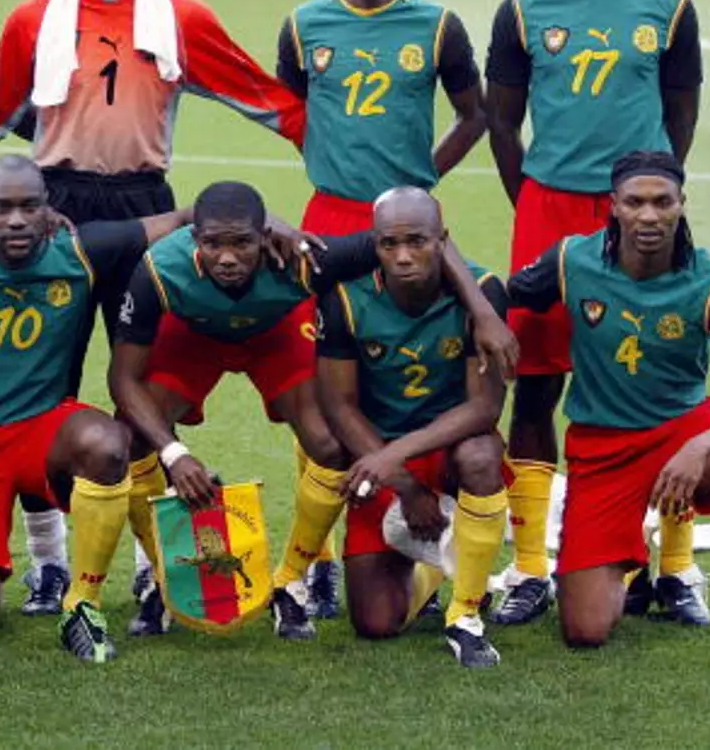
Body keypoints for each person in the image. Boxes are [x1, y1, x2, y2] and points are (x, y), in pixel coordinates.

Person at [0, 0, 308, 615]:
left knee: (144, 376)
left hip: (146, 208)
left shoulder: (181, 17)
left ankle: (154, 560)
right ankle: (48, 558)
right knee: (38, 383)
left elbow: (265, 98)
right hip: (54, 211)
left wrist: (336, 159)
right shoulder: (32, 20)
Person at [0, 155, 234, 662]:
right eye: (1, 208)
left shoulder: (81, 251)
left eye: (29, 206)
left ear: (49, 209)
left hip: (45, 430)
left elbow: (182, 217)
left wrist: (269, 225)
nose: (16, 220)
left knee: (107, 443)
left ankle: (82, 604)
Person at [110, 182, 513, 641]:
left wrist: (483, 310)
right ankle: (163, 579)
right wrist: (175, 453)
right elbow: (122, 380)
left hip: (274, 335)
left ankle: (291, 581)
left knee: (326, 441)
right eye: (212, 244)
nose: (226, 257)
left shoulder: (306, 258)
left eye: (242, 242)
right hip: (194, 335)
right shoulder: (158, 271)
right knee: (133, 435)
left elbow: (428, 240)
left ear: (265, 237)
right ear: (192, 238)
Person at [484, 0, 703, 625]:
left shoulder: (669, 7)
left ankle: (673, 570)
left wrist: (646, 193)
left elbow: (681, 112)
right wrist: (534, 202)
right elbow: (502, 122)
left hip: (634, 209)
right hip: (547, 206)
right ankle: (530, 565)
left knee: (656, 381)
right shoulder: (523, 7)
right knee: (537, 381)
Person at [275, 0, 488, 618]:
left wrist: (422, 179)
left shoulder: (437, 26)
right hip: (330, 221)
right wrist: (331, 156)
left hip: (409, 218)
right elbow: (295, 111)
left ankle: (445, 529)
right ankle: (320, 557)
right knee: (324, 392)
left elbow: (475, 113)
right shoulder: (304, 26)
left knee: (428, 365)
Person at [505, 152, 710, 674]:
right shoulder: (570, 260)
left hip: (683, 433)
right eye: (635, 202)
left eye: (662, 202)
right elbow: (503, 296)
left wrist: (698, 446)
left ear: (681, 205)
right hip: (600, 450)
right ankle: (632, 561)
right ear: (613, 207)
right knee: (585, 630)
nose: (649, 216)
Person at [315, 187, 510, 668]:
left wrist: (391, 459)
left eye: (417, 242)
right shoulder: (345, 298)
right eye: (389, 244)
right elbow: (337, 406)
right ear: (374, 245)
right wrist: (401, 480)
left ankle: (465, 612)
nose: (403, 257)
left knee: (482, 456)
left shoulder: (483, 294)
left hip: (448, 450)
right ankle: (438, 571)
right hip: (379, 450)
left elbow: (484, 408)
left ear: (442, 240)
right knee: (376, 624)